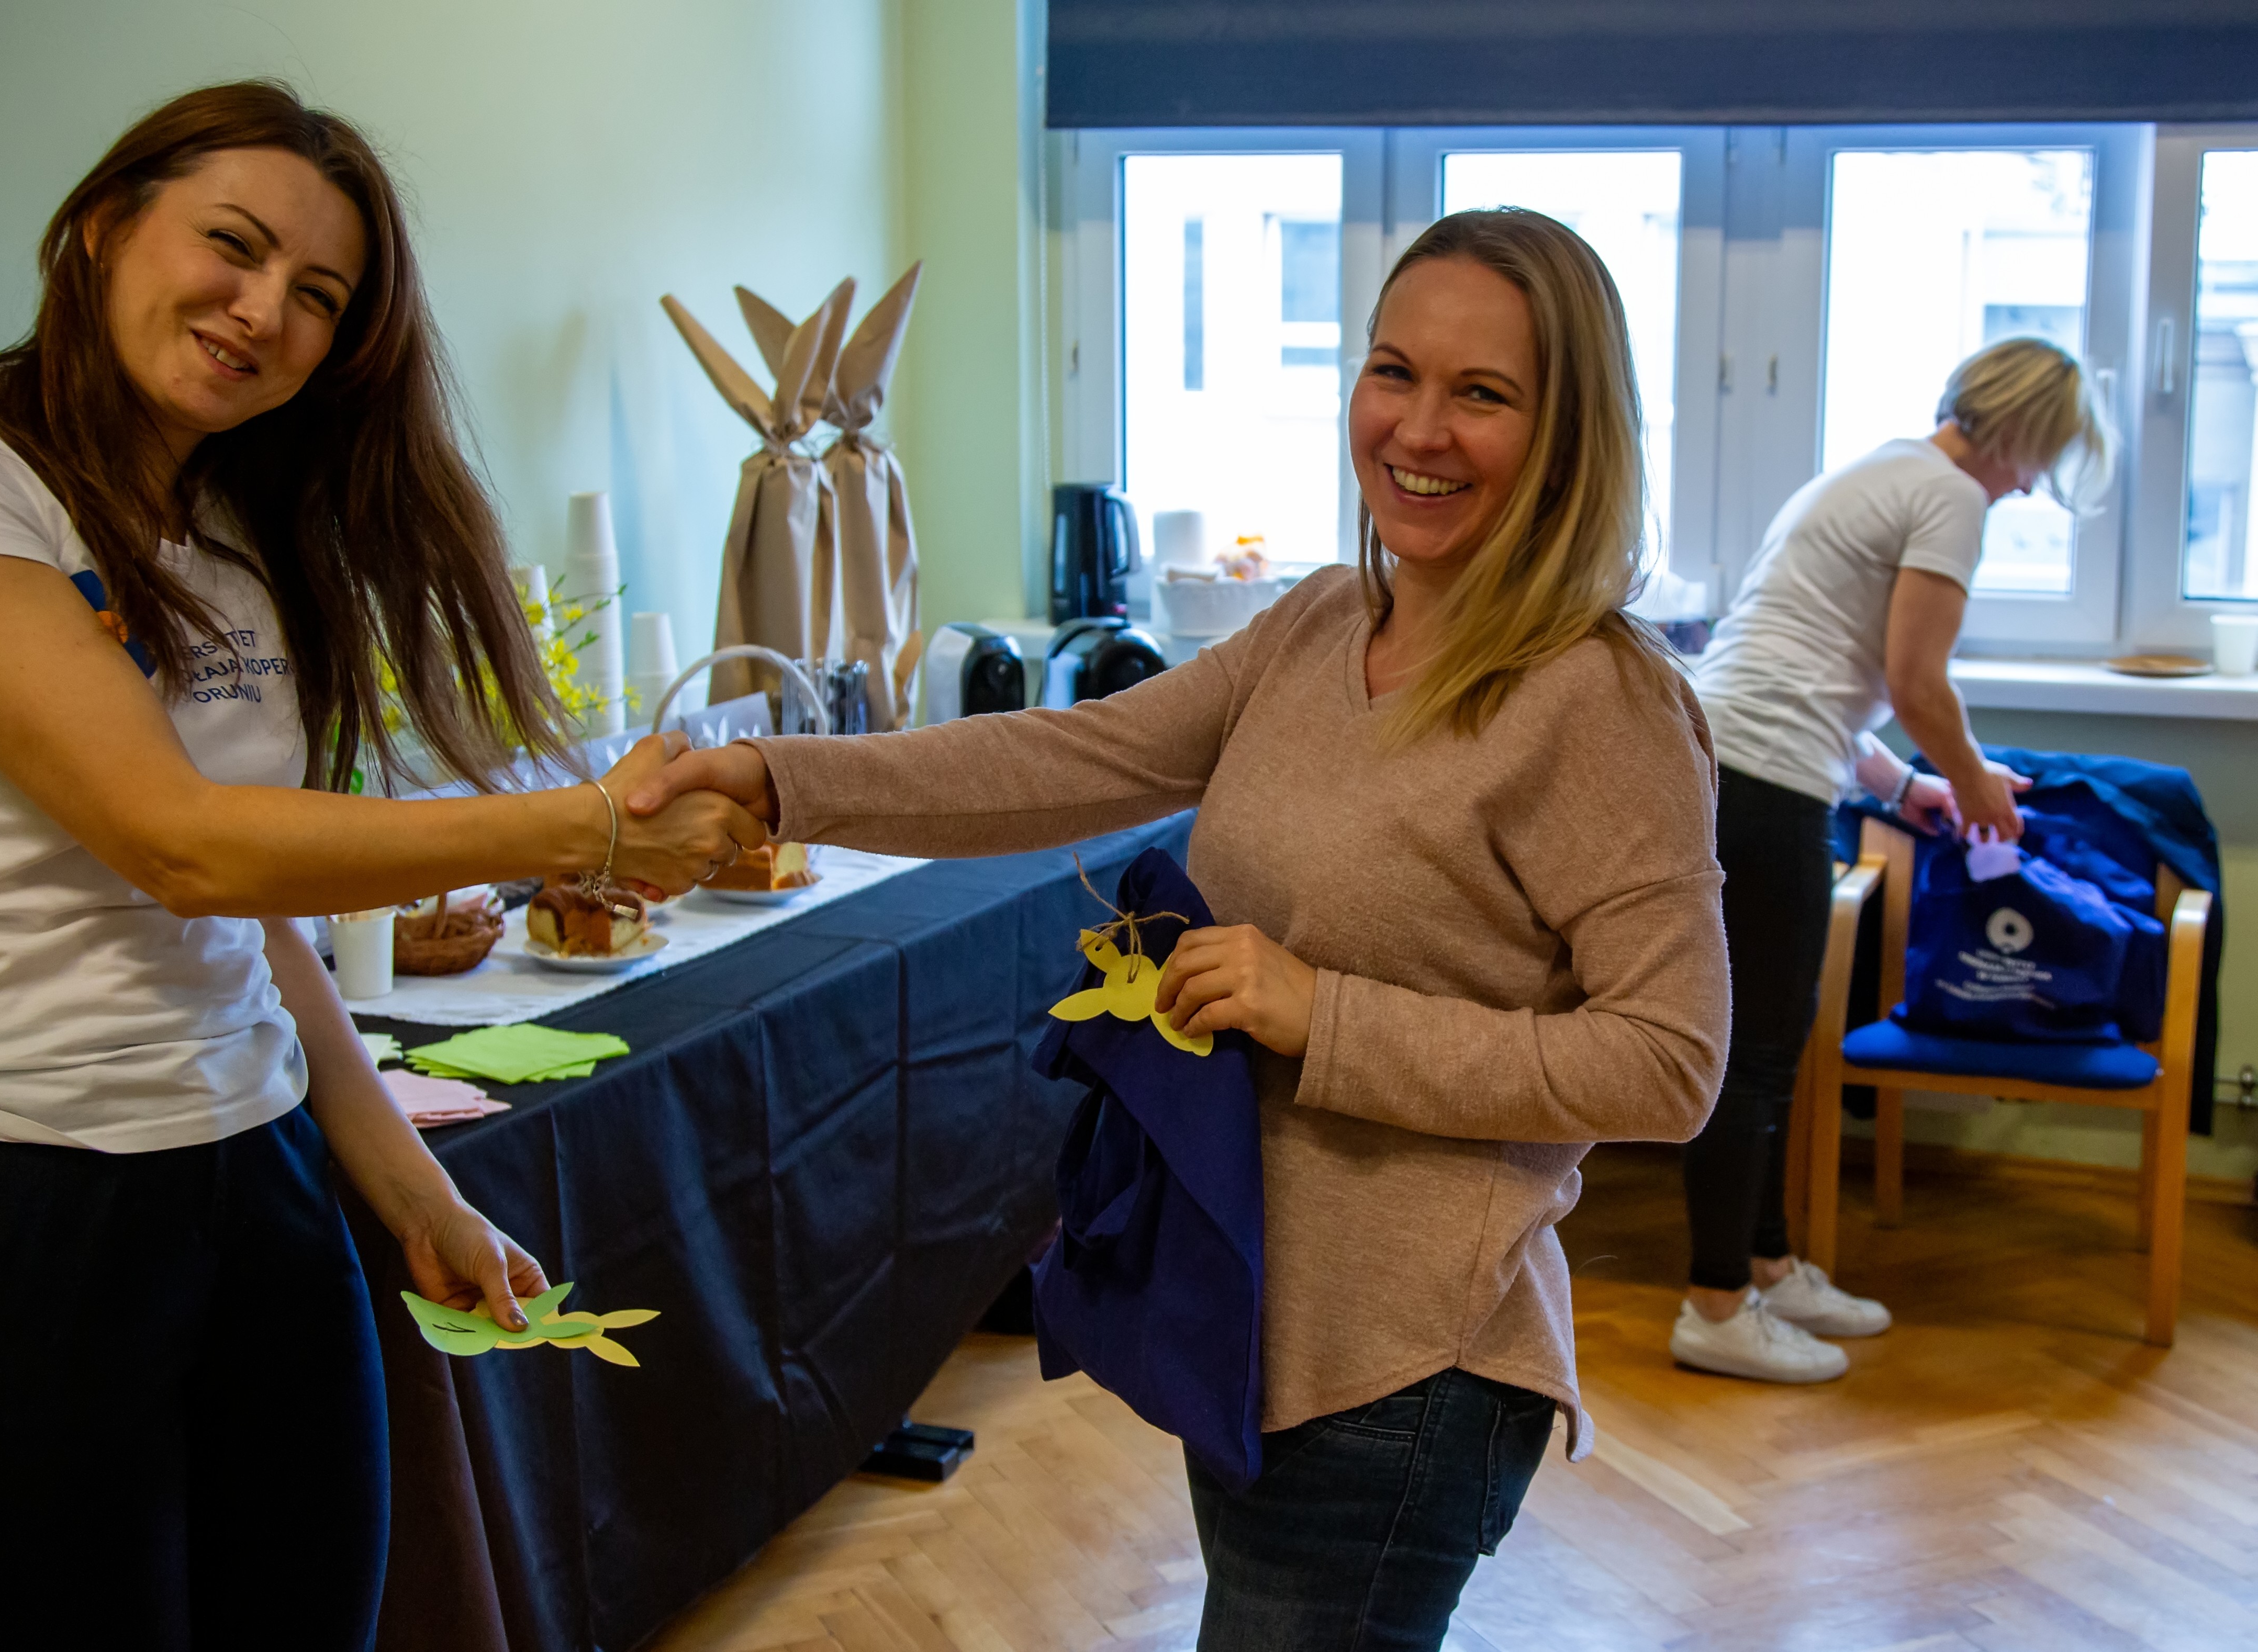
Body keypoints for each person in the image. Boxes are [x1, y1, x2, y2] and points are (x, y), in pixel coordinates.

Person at [628, 209, 1729, 1649]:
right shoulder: (1322, 624)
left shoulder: (1603, 703)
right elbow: (1067, 757)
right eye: (1394, 371)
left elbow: (1667, 1062)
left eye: (1483, 393)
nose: (1418, 428)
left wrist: (1320, 1012)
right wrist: (777, 778)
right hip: (1256, 1321)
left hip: (1407, 1372)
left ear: (1571, 433)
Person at [0, 82, 762, 1650]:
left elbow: (250, 915)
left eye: (320, 294)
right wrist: (580, 823)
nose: (265, 312)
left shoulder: (239, 529)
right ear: (104, 228)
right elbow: (178, 841)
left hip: (252, 1173)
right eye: (233, 247)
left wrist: (413, 1188)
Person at [1672, 337, 2112, 1383]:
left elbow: (1822, 674)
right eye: (2038, 457)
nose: (2027, 486)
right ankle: (1715, 1306)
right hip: (1763, 781)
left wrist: (1907, 785)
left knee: (1772, 1044)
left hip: (1739, 765)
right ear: (2018, 429)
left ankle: (1768, 1268)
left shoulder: (1880, 470)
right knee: (1753, 1053)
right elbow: (1918, 683)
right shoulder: (1949, 497)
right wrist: (1974, 782)